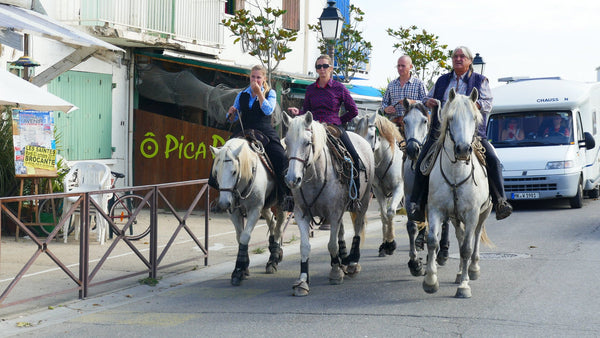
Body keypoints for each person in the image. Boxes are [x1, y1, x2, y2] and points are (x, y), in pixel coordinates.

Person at [408, 46, 513, 221]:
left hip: (473, 134)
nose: (458, 59)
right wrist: (430, 101)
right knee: (421, 162)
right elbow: (426, 99)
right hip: (440, 134)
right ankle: (416, 205)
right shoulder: (442, 81)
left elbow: (488, 103)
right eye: (455, 56)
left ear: (470, 61)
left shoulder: (480, 80)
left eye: (462, 56)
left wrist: (473, 105)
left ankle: (500, 201)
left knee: (493, 160)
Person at [288, 55, 361, 222]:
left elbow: (353, 110)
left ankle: (354, 198)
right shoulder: (310, 89)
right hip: (314, 129)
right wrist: (298, 113)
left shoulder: (339, 88)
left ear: (331, 68)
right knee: (293, 154)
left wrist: (339, 122)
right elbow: (307, 110)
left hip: (333, 128)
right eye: (318, 66)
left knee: (354, 158)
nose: (321, 69)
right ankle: (290, 197)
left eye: (325, 66)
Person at [210, 65, 292, 210]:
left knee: (280, 156)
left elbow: (268, 110)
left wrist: (259, 94)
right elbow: (232, 118)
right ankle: (219, 193)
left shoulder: (270, 93)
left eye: (258, 77)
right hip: (243, 130)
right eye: (253, 77)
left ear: (264, 78)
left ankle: (285, 195)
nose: (255, 80)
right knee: (223, 154)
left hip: (264, 130)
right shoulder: (242, 94)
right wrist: (231, 113)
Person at [381, 55, 427, 128]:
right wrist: (386, 109)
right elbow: (384, 102)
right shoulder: (391, 85)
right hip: (393, 125)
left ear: (410, 67)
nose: (400, 68)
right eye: (398, 66)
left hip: (412, 127)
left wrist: (412, 102)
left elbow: (426, 103)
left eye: (403, 66)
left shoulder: (419, 84)